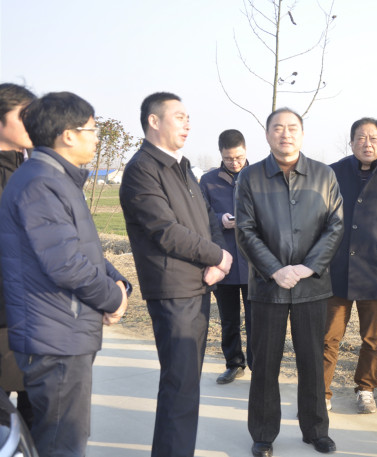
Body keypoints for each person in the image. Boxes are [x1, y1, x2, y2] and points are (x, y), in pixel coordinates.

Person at [0, 91, 130, 456]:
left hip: (61, 331)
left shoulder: (51, 178)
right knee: (62, 444)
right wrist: (113, 298)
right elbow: (66, 264)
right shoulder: (41, 183)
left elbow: (80, 247)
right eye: (92, 129)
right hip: (55, 336)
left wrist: (118, 282)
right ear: (68, 135)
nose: (96, 138)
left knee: (60, 438)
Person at [120, 92, 232, 457]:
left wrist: (218, 258)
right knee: (179, 386)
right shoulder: (142, 169)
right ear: (154, 121)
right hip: (172, 291)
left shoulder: (181, 167)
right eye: (179, 117)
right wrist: (218, 255)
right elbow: (166, 231)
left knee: (186, 387)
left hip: (196, 287)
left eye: (188, 118)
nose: (187, 124)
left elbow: (208, 219)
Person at [236, 107, 343, 457]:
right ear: (267, 134)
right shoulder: (250, 177)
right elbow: (245, 230)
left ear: (302, 133)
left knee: (312, 361)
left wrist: (308, 267)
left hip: (312, 287)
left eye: (292, 128)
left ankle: (315, 430)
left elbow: (335, 225)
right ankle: (263, 433)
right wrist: (275, 269)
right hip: (268, 287)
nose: (286, 134)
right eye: (278, 128)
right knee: (265, 363)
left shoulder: (324, 175)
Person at [324, 118, 377, 414]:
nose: (368, 143)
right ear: (351, 142)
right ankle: (321, 392)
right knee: (328, 336)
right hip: (337, 270)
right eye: (361, 138)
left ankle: (366, 388)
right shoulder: (334, 172)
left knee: (373, 338)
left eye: (374, 138)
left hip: (375, 271)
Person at [200, 129, 252, 384]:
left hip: (254, 262)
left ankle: (259, 364)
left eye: (239, 157)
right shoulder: (208, 181)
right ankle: (234, 363)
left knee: (257, 320)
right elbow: (201, 215)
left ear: (246, 150)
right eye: (229, 158)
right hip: (223, 261)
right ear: (220, 154)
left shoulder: (259, 176)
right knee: (228, 319)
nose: (235, 163)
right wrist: (220, 220)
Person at [0, 82, 35, 428]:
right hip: (5, 317)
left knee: (36, 416)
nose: (32, 123)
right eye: (23, 115)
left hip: (37, 318)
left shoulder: (35, 170)